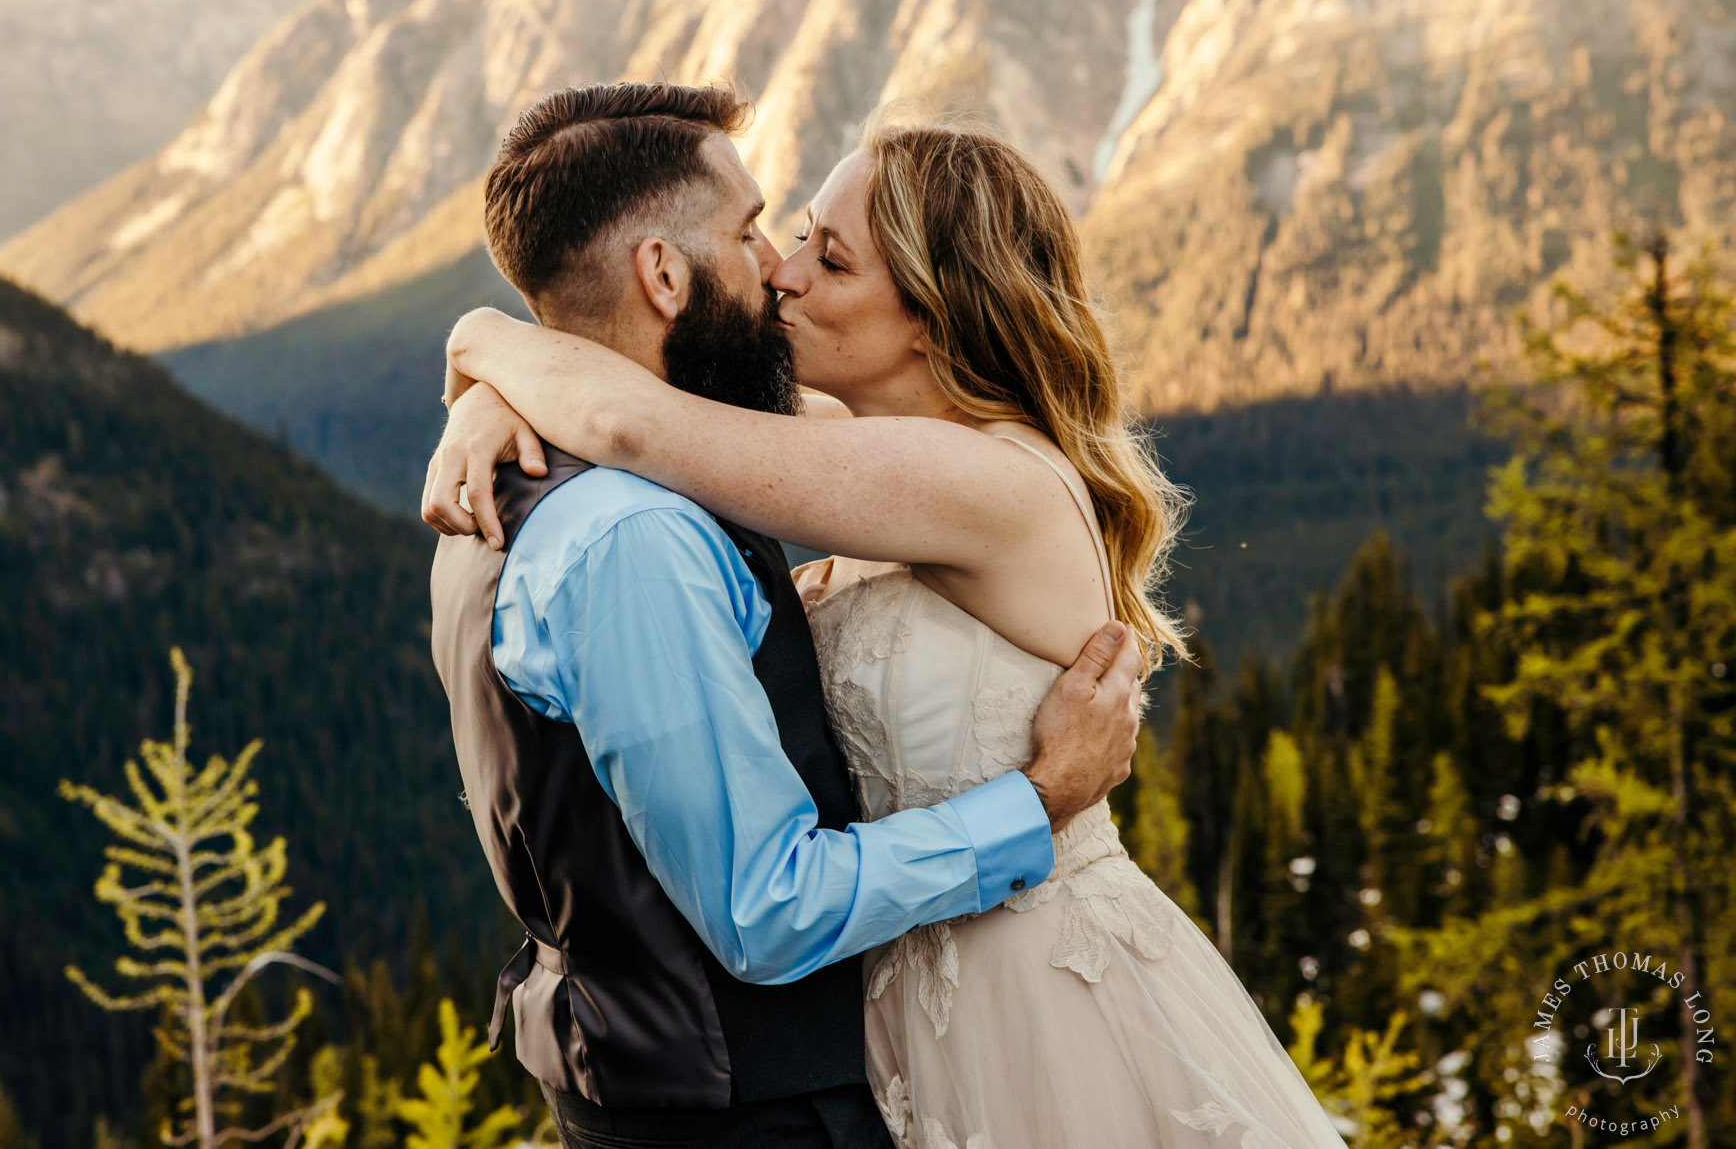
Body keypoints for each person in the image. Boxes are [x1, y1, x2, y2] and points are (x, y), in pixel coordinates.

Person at [427, 88, 1349, 1148]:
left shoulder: (976, 479)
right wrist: (497, 380)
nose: (780, 270)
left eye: (829, 258)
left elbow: (633, 419)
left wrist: (486, 340)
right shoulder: (851, 444)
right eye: (783, 236)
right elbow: (639, 407)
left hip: (1039, 997)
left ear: (930, 312)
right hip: (890, 1008)